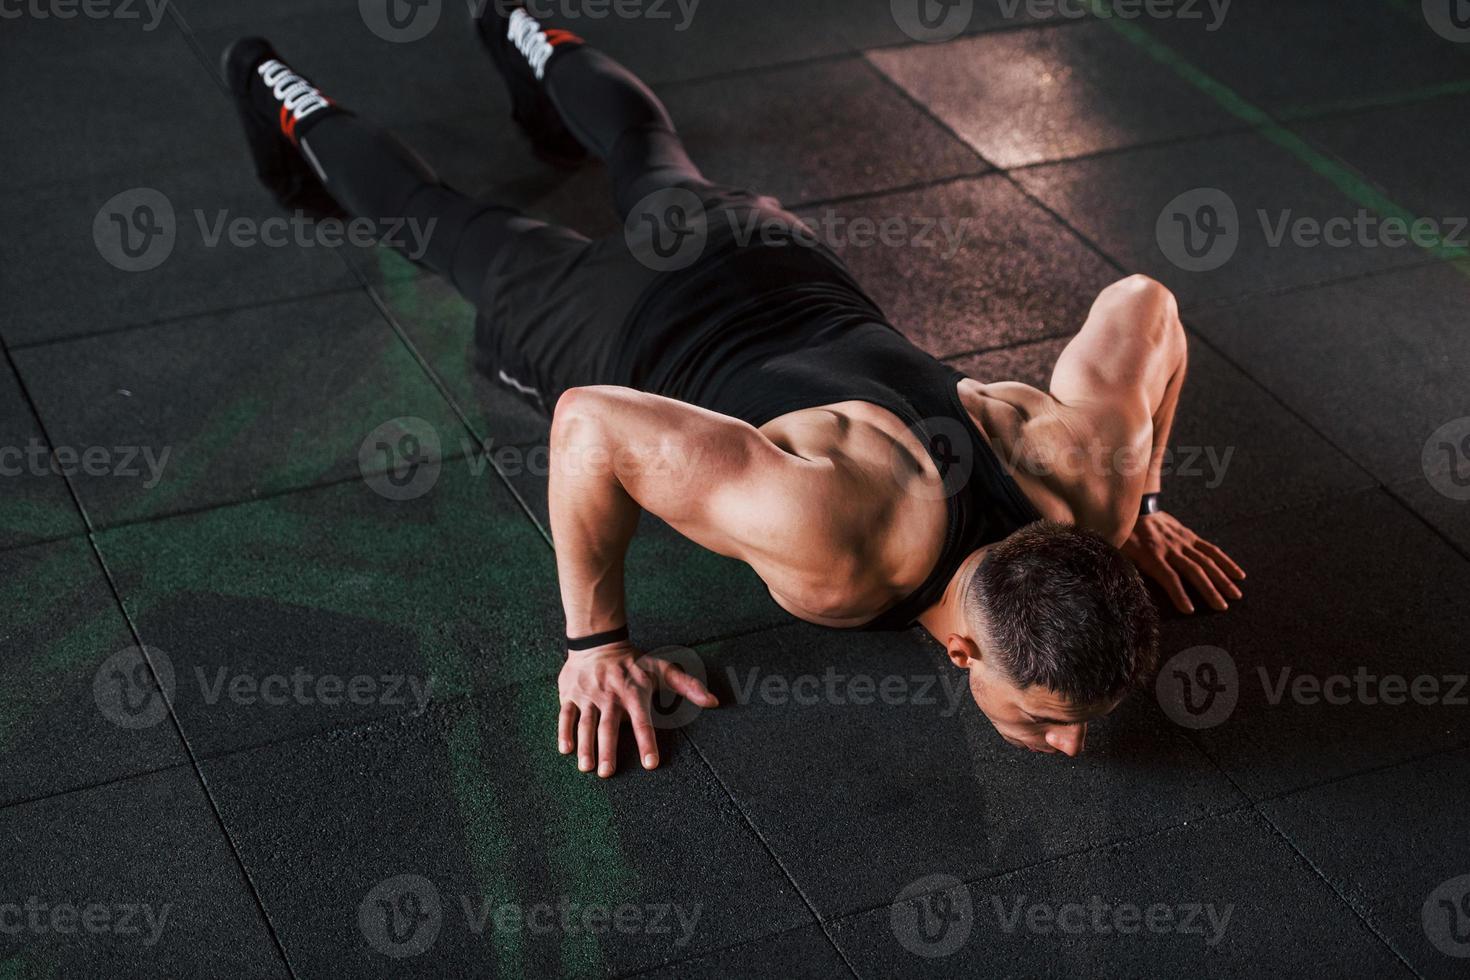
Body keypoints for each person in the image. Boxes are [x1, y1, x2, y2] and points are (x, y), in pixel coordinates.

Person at [221, 2, 1244, 777]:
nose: (1068, 743)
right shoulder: (835, 549)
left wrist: (1145, 502)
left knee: (649, 154)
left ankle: (525, 28)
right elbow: (589, 426)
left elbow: (1146, 303)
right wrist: (596, 643)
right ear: (968, 650)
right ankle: (276, 84)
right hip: (630, 323)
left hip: (776, 259)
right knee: (445, 226)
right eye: (1038, 715)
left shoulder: (1089, 476)